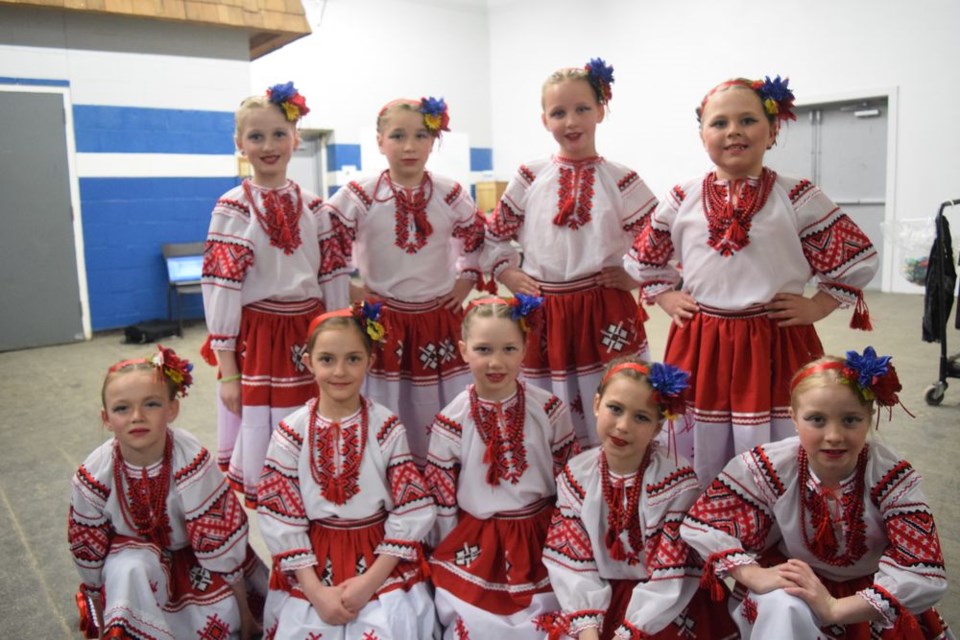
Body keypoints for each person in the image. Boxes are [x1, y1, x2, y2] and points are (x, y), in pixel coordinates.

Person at [625, 75, 879, 483]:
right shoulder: (682, 196)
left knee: (774, 435)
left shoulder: (797, 196)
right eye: (719, 123)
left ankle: (771, 512)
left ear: (772, 129)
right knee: (698, 435)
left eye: (747, 120)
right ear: (702, 135)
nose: (733, 131)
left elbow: (855, 258)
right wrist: (666, 297)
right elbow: (645, 257)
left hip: (774, 338)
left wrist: (818, 305)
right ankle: (704, 508)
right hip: (702, 339)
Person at [681, 348, 953, 639]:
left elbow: (923, 571)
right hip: (794, 582)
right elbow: (706, 523)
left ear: (869, 417)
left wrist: (834, 608)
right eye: (817, 420)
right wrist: (751, 574)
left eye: (850, 420)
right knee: (782, 609)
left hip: (868, 595)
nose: (834, 435)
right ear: (794, 418)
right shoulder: (772, 466)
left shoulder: (891, 478)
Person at [484, 58, 658, 445]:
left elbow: (662, 240)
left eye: (582, 109)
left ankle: (620, 472)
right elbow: (493, 236)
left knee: (617, 398)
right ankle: (562, 480)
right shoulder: (529, 176)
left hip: (605, 309)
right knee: (551, 405)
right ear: (544, 120)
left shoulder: (622, 179)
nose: (571, 121)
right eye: (558, 112)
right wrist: (509, 273)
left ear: (600, 111)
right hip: (547, 312)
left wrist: (634, 273)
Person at [201, 81, 349, 507]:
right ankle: (281, 526)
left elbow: (332, 276)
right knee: (270, 452)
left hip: (311, 335)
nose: (269, 145)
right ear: (239, 144)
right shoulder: (232, 207)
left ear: (296, 138)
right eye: (256, 136)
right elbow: (220, 288)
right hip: (260, 341)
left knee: (317, 434)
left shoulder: (316, 208)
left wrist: (339, 334)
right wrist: (229, 370)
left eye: (279, 134)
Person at [321, 96, 488, 466]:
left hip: (438, 319)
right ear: (380, 141)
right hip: (385, 323)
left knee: (444, 406)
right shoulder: (359, 195)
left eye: (421, 135)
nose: (410, 146)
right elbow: (326, 243)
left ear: (434, 140)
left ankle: (443, 474)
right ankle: (394, 475)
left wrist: (467, 278)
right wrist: (351, 287)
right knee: (388, 406)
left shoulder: (450, 192)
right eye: (397, 136)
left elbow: (478, 239)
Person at [256, 304, 436, 640]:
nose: (340, 371)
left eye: (353, 358)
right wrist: (316, 593)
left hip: (380, 556)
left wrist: (368, 584)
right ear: (308, 362)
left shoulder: (386, 427)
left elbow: (412, 508)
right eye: (327, 359)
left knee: (388, 626)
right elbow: (280, 517)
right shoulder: (290, 433)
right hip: (312, 560)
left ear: (370, 362)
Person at [68, 346, 267, 640]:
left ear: (172, 409)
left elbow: (220, 538)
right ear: (106, 418)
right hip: (135, 567)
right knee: (129, 568)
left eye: (151, 404)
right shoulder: (94, 474)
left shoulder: (191, 461)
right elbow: (88, 548)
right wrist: (99, 615)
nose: (137, 416)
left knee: (219, 621)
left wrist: (245, 614)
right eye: (122, 408)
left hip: (196, 561)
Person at [539, 356, 737, 640]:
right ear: (596, 405)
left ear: (658, 426)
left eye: (641, 417)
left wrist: (630, 631)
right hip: (601, 599)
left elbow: (673, 570)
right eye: (615, 409)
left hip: (664, 606)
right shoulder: (578, 475)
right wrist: (588, 630)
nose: (622, 426)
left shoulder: (674, 480)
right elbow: (573, 560)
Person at [425, 296, 579, 638]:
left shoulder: (549, 409)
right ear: (463, 350)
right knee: (475, 624)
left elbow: (568, 481)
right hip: (477, 541)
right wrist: (442, 543)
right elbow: (442, 497)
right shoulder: (452, 419)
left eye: (509, 349)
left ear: (525, 349)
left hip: (540, 537)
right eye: (483, 350)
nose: (496, 362)